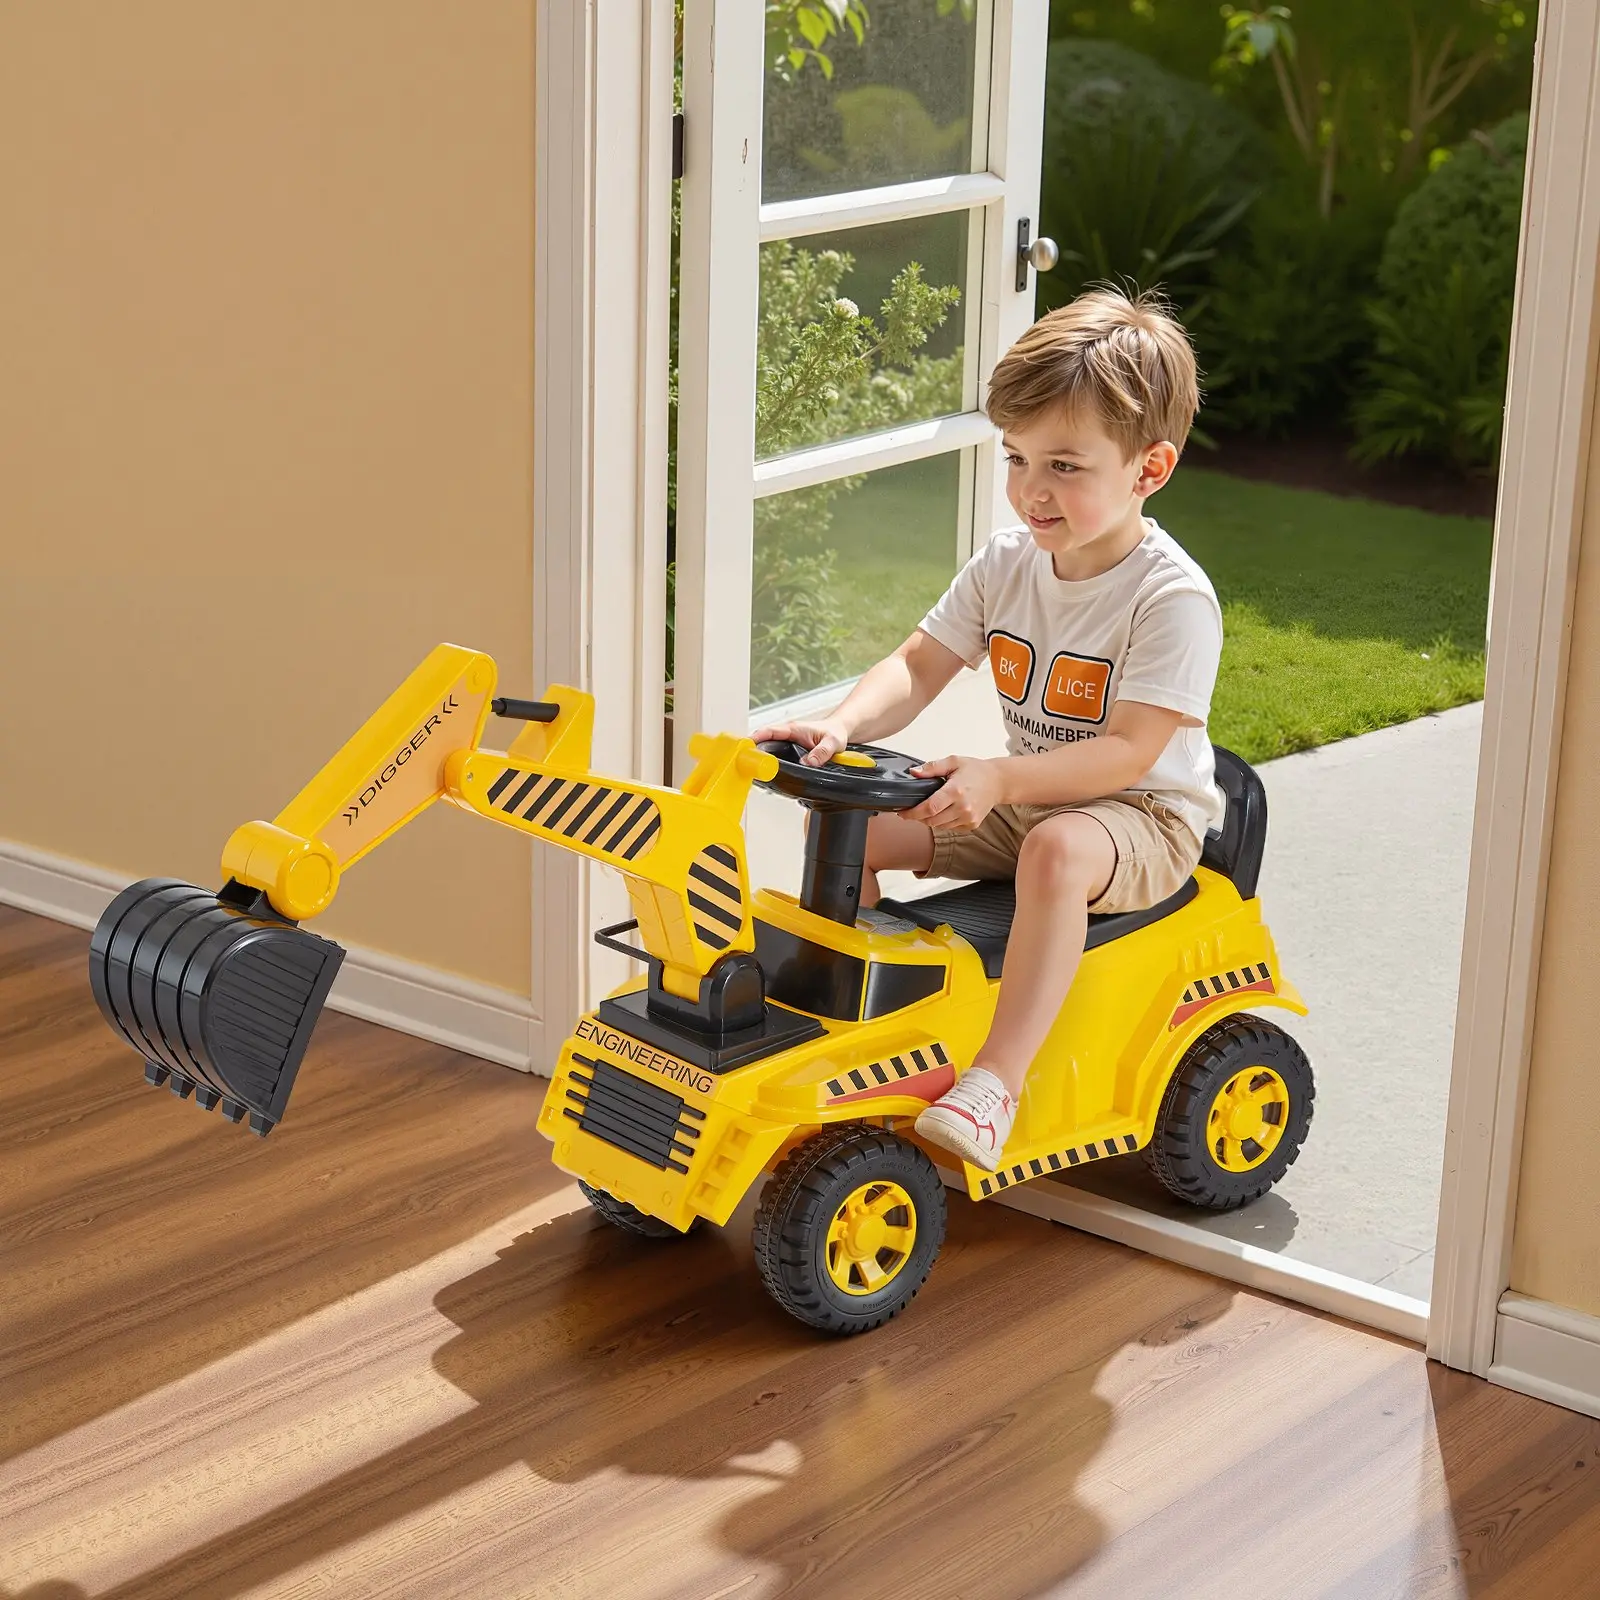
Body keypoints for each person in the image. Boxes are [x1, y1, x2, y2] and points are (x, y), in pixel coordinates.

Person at [753, 286, 1224, 1172]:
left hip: (1141, 816)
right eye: (1016, 458)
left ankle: (994, 1083)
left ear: (1149, 470)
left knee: (1057, 852)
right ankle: (882, 1019)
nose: (1030, 490)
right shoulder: (1007, 563)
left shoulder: (1171, 598)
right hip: (1029, 800)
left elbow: (1129, 752)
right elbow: (917, 665)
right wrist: (841, 723)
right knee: (851, 830)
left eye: (1065, 466)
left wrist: (1000, 779)